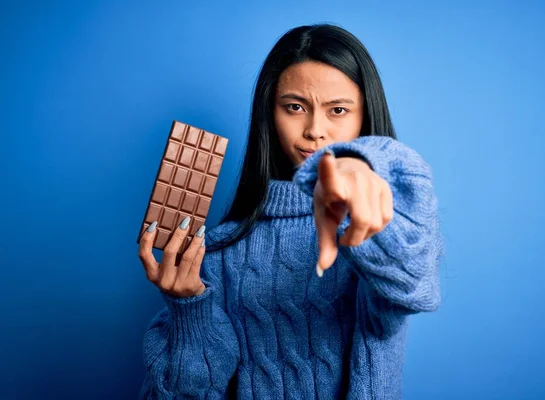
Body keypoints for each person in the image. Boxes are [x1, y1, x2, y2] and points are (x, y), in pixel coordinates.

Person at [137, 23, 444, 399]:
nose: (316, 130)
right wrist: (190, 309)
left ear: (365, 116)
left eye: (338, 110)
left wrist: (366, 166)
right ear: (271, 114)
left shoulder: (375, 231)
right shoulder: (215, 252)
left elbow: (415, 284)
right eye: (295, 107)